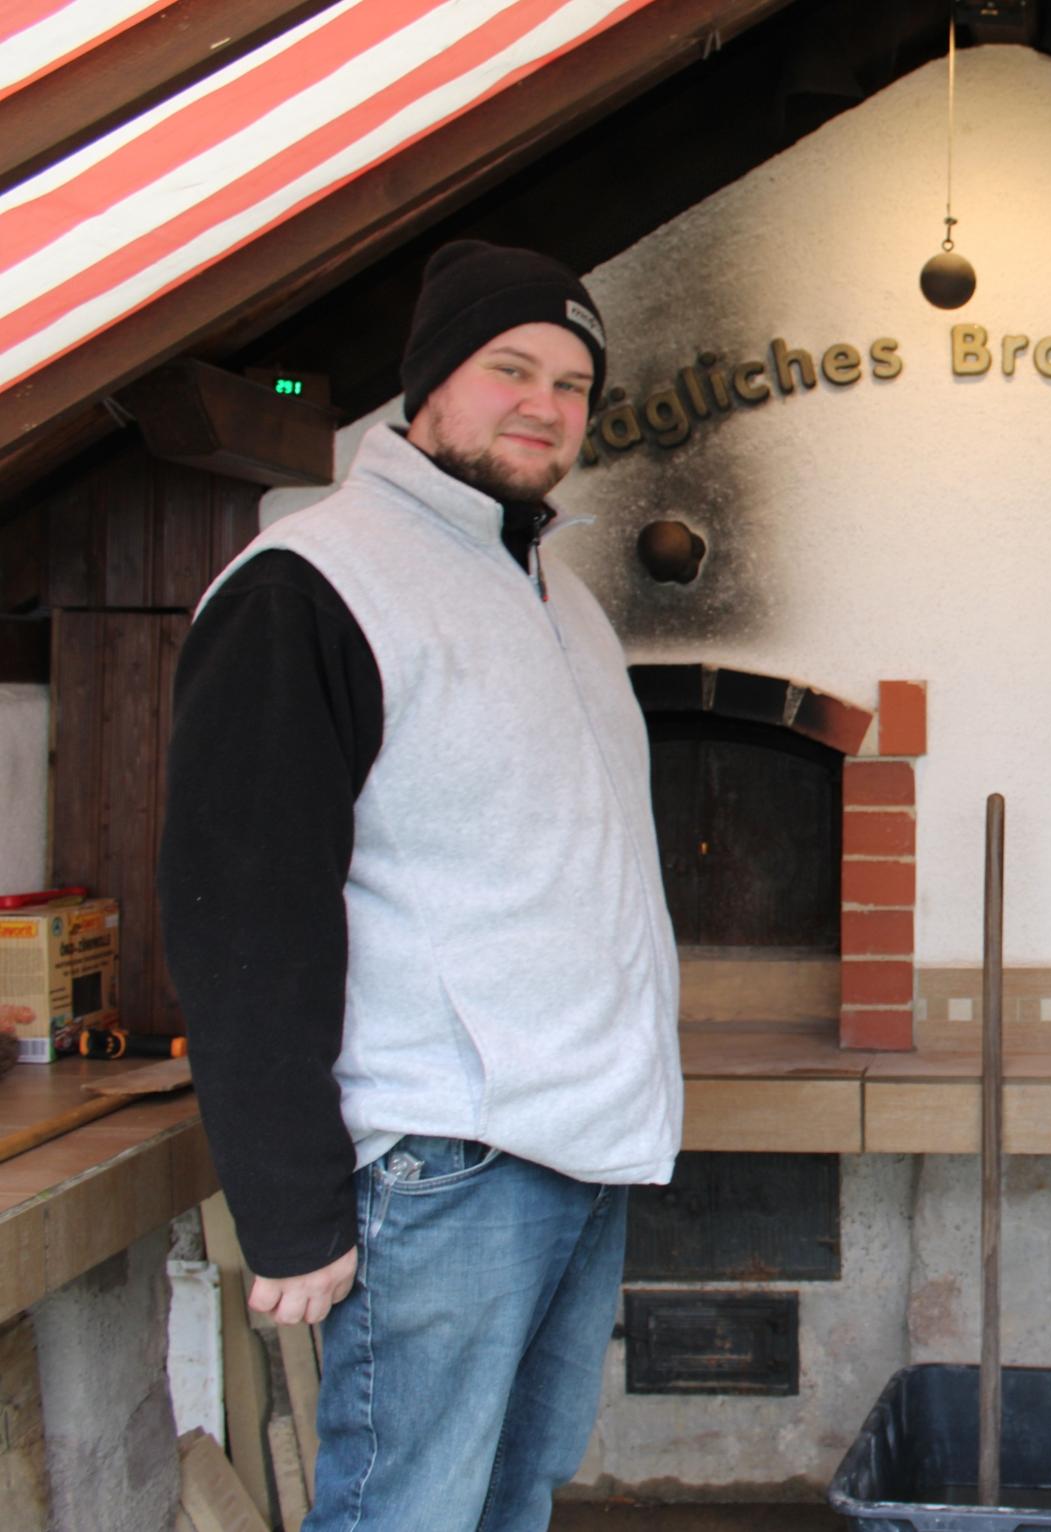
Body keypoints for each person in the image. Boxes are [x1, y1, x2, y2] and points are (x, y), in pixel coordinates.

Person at [159, 241, 681, 1532]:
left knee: (511, 1508)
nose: (544, 406)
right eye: (510, 367)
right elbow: (243, 906)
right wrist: (288, 1207)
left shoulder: (560, 600)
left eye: (571, 383)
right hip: (444, 1169)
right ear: (428, 384)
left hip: (578, 1152)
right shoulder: (315, 585)